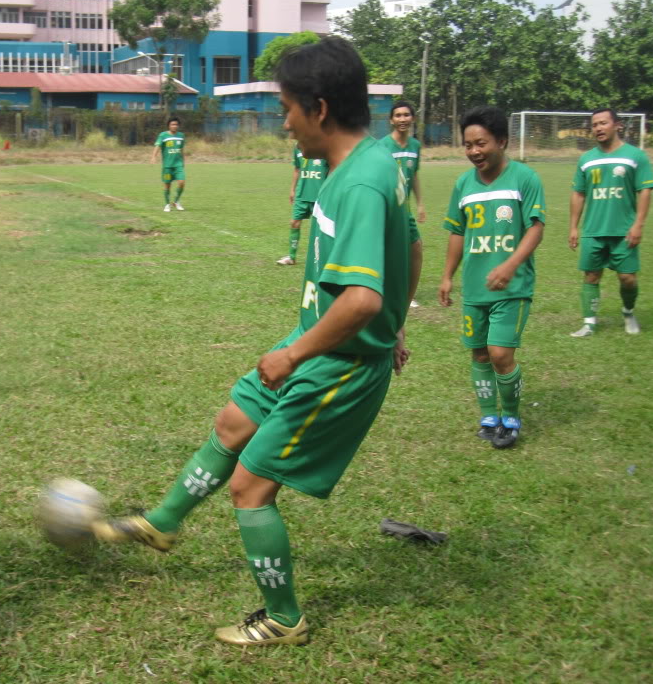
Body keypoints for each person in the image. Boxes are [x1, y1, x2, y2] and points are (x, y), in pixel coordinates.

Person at [94, 37, 416, 646]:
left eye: (288, 108)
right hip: (316, 344)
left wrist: (300, 352)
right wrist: (398, 322)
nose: (284, 123)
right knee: (231, 424)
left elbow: (362, 299)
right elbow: (413, 242)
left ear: (318, 108)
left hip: (337, 363)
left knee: (249, 486)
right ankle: (162, 524)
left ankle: (283, 618)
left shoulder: (362, 183)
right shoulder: (371, 166)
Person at [438, 106, 546, 449]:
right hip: (475, 287)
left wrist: (511, 265)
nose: (474, 152)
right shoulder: (463, 184)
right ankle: (489, 416)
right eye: (468, 145)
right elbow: (457, 232)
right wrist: (447, 277)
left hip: (512, 287)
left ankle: (511, 417)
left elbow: (536, 228)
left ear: (502, 140)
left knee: (500, 354)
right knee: (480, 354)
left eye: (480, 143)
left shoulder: (525, 179)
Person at [569, 109, 653, 337]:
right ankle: (589, 323)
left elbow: (644, 191)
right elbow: (578, 193)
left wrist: (638, 224)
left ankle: (628, 311)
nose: (598, 128)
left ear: (617, 125)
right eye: (595, 124)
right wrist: (573, 226)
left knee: (628, 278)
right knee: (591, 275)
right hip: (593, 230)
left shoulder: (635, 156)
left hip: (623, 230)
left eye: (603, 123)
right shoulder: (586, 159)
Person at [378, 101, 426, 307]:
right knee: (388, 250)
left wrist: (420, 203)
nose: (402, 119)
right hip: (387, 207)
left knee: (415, 248)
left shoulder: (415, 146)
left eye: (406, 115)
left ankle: (406, 296)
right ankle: (380, 290)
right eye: (398, 115)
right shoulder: (382, 146)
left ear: (412, 118)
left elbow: (413, 174)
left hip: (403, 207)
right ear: (391, 120)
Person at [275, 143, 327, 265]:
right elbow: (297, 169)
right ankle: (292, 257)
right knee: (294, 222)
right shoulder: (297, 146)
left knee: (320, 229)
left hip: (319, 195)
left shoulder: (323, 145)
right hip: (302, 193)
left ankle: (322, 259)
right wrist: (292, 190)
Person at [153, 117, 186, 212]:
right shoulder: (163, 135)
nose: (174, 126)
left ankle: (176, 202)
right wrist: (154, 156)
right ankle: (167, 204)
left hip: (178, 165)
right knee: (167, 185)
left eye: (176, 124)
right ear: (169, 125)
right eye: (172, 124)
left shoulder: (181, 136)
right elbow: (157, 145)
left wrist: (183, 161)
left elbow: (182, 149)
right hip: (167, 166)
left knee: (182, 182)